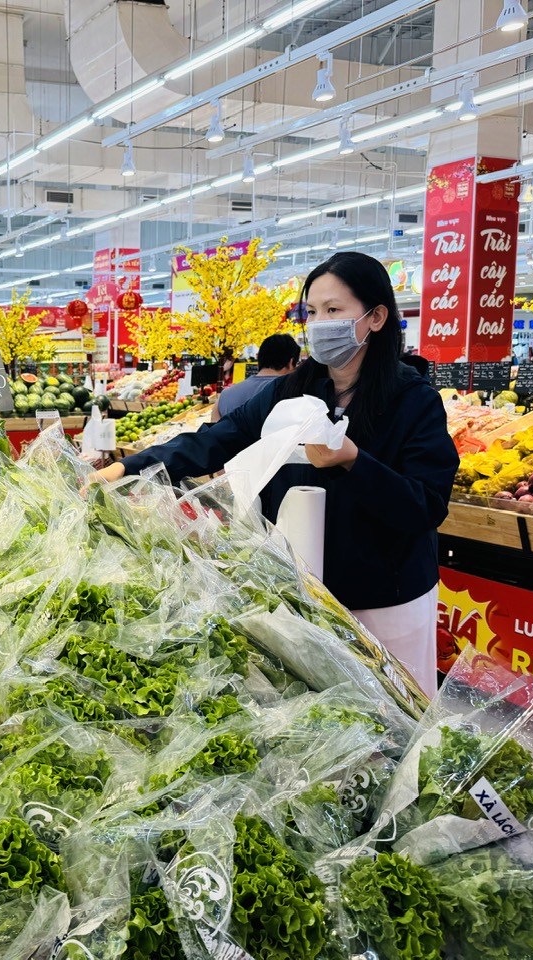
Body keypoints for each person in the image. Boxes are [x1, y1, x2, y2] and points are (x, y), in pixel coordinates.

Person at [93, 252, 458, 697]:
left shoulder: (414, 401)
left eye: (334, 310)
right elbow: (219, 437)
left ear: (376, 317)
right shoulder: (294, 389)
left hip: (384, 600)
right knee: (325, 720)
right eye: (312, 312)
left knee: (394, 716)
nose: (319, 323)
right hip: (302, 592)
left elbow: (426, 505)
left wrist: (353, 461)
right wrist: (123, 468)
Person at [211, 333, 301, 422]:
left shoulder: (224, 396)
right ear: (291, 362)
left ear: (260, 357)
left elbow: (213, 433)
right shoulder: (296, 394)